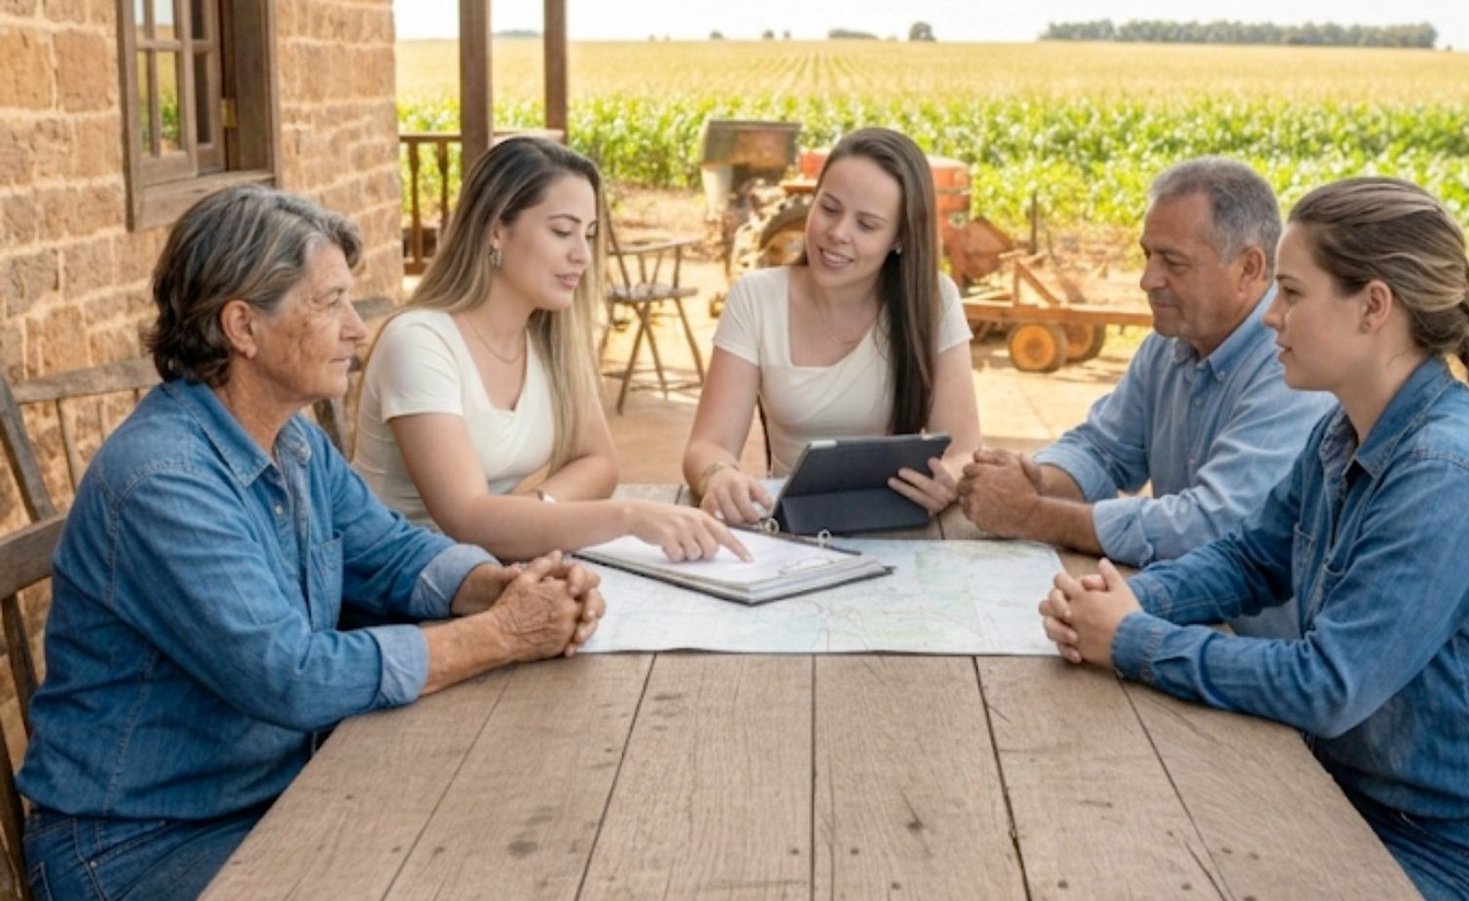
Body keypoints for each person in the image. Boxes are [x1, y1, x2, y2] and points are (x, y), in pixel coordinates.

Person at [16, 185, 608, 900]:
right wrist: (502, 635)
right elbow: (290, 673)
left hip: (275, 795)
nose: (358, 328)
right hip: (139, 846)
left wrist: (499, 587)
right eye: (330, 303)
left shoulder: (293, 439)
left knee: (509, 830)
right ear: (243, 326)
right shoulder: (165, 480)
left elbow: (389, 551)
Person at [1042, 177, 1469, 898]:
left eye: (1292, 294)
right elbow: (1251, 557)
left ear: (1374, 307)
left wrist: (1136, 637)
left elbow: (1327, 685)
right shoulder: (1342, 430)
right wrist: (1124, 596)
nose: (1270, 317)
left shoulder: (1446, 474)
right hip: (1353, 804)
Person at [958, 157, 1332, 637]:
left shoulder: (1290, 366)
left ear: (1249, 268)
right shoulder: (1171, 341)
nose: (1148, 280)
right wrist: (1036, 478)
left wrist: (1032, 514)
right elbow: (1102, 448)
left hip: (1259, 661)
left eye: (1173, 262)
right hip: (1185, 627)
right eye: (1147, 255)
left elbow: (1210, 526)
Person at [353, 136, 747, 563]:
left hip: (488, 569)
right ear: (496, 228)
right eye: (562, 231)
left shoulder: (547, 338)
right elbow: (465, 517)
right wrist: (630, 517)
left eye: (589, 234)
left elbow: (598, 463)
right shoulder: (419, 342)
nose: (582, 255)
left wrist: (533, 511)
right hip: (398, 588)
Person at [682, 127, 980, 526]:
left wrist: (950, 478)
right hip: (789, 532)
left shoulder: (934, 299)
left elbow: (963, 449)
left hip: (902, 530)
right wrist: (719, 475)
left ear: (900, 238)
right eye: (829, 208)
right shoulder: (755, 298)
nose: (838, 233)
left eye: (867, 225)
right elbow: (708, 445)